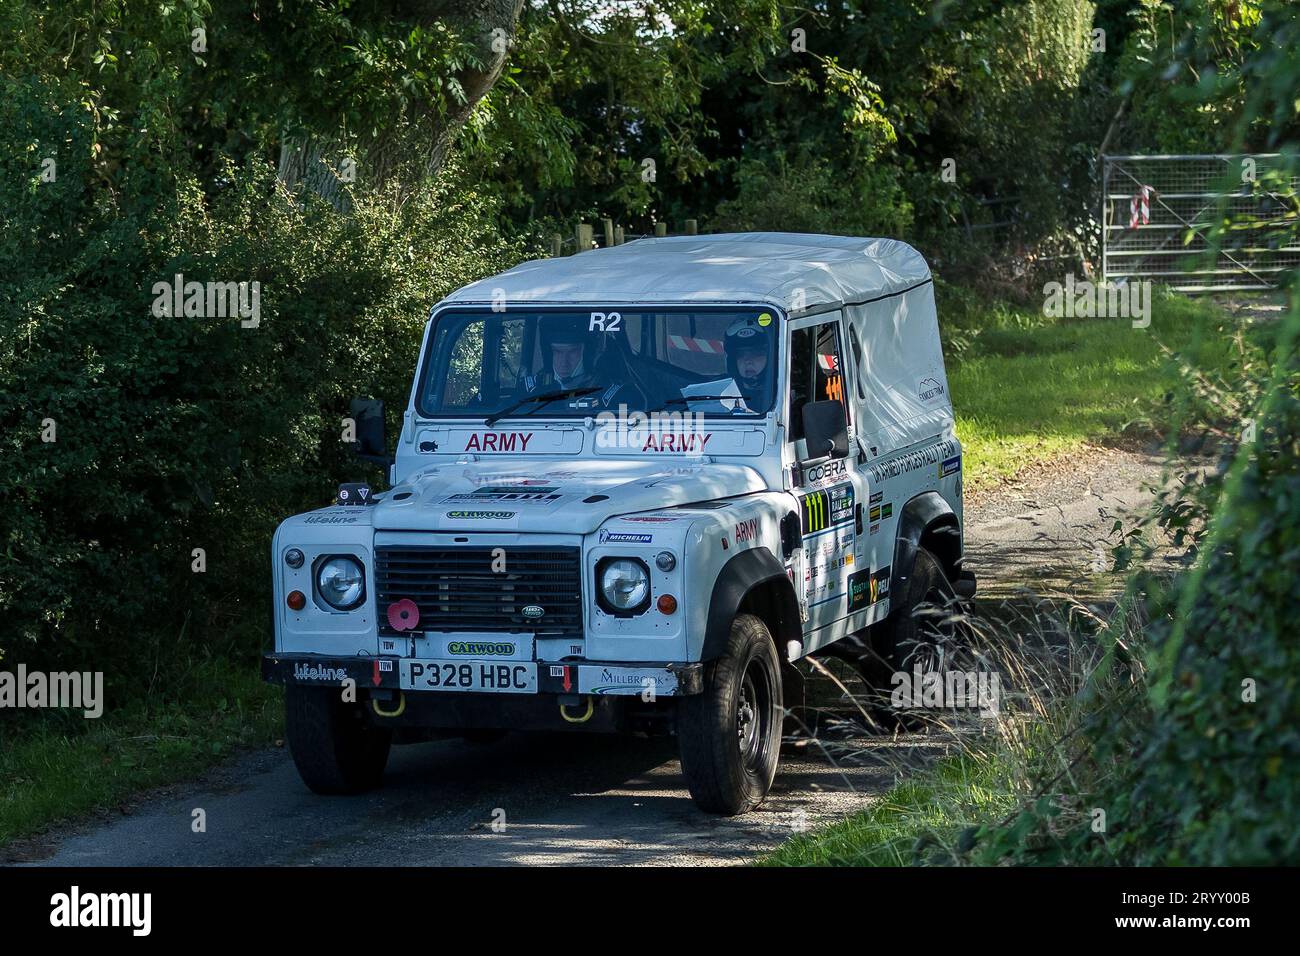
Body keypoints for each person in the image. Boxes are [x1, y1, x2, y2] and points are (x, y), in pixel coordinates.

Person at [523, 316, 643, 412]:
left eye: (573, 352)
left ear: (589, 355)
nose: (564, 362)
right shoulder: (533, 389)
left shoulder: (616, 395)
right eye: (557, 352)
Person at [723, 315, 774, 410]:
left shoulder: (781, 393)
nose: (748, 361)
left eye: (756, 353)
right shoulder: (722, 395)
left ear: (769, 358)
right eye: (741, 354)